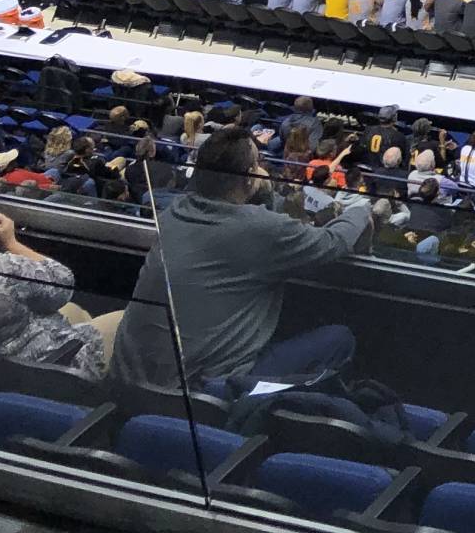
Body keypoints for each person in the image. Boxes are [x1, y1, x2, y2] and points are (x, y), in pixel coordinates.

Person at [112, 127, 372, 393]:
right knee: (339, 339)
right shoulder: (260, 230)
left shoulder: (174, 211)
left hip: (132, 381)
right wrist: (361, 211)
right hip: (203, 391)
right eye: (257, 163)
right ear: (249, 177)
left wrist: (262, 192)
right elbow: (335, 242)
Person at [0, 210, 107, 381]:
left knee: (74, 310)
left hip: (8, 360)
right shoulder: (5, 269)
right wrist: (11, 243)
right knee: (121, 321)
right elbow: (62, 283)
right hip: (47, 366)